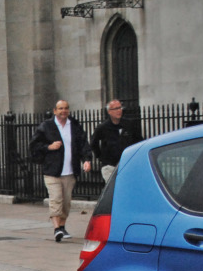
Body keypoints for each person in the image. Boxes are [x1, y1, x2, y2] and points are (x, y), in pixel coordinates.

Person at [29, 99, 92, 242]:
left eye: (66, 108)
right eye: (61, 108)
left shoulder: (74, 125)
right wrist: (48, 147)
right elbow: (34, 145)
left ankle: (62, 227)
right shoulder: (46, 126)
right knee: (56, 199)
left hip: (70, 171)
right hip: (52, 171)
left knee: (66, 202)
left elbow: (83, 144)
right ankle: (57, 229)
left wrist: (87, 160)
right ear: (55, 111)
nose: (64, 111)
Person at [90, 100, 142, 183]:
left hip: (127, 164)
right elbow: (93, 144)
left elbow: (139, 141)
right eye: (116, 108)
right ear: (109, 112)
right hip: (110, 165)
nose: (119, 110)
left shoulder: (129, 124)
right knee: (113, 189)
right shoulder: (102, 128)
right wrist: (101, 157)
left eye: (120, 108)